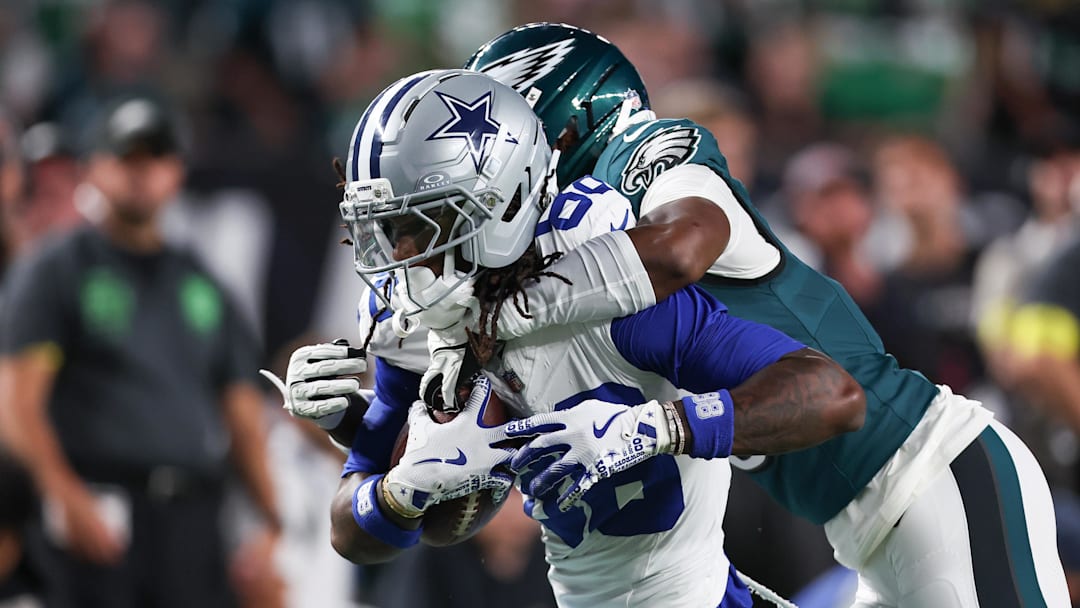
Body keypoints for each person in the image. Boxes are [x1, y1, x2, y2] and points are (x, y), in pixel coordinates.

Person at [460, 22, 1069, 607]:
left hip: (930, 477)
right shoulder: (574, 228)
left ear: (566, 120)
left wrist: (509, 307)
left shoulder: (640, 156)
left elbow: (680, 247)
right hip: (870, 525)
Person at [267, 69, 864, 608]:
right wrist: (393, 480)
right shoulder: (414, 317)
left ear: (506, 202)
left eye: (428, 223)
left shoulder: (608, 293)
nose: (402, 258)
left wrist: (659, 428)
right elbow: (365, 531)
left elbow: (832, 393)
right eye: (390, 226)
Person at [0, 97, 282, 608]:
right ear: (95, 169)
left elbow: (242, 415)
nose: (141, 173)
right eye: (125, 157)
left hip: (193, 520)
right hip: (100, 509)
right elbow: (18, 401)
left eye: (155, 158)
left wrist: (270, 518)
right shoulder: (57, 270)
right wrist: (62, 493)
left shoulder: (203, 283)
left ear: (177, 172)